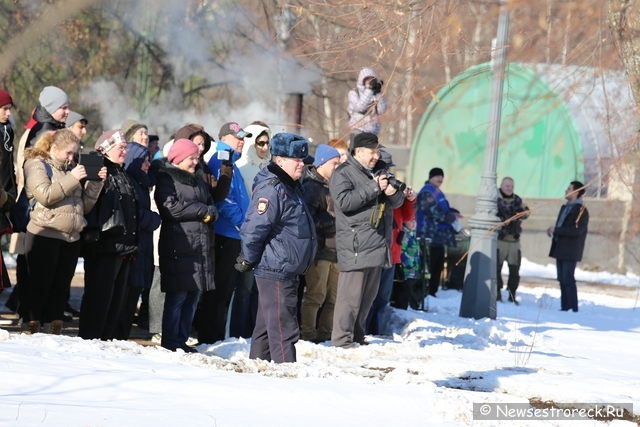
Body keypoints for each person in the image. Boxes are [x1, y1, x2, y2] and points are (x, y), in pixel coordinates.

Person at [236, 133, 316, 363]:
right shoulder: (273, 188)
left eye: (303, 160)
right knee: (284, 331)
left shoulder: (290, 185)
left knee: (265, 328)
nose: (302, 164)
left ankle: (257, 372)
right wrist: (248, 258)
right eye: (297, 160)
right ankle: (286, 378)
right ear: (280, 160)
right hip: (277, 268)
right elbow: (254, 227)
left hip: (285, 268)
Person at [23, 129, 106, 334]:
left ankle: (54, 331)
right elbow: (45, 196)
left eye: (74, 153)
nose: (72, 158)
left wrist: (96, 183)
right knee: (40, 287)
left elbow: (83, 208)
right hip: (45, 233)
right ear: (53, 148)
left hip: (70, 238)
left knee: (61, 289)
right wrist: (72, 177)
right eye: (68, 153)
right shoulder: (36, 165)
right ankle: (31, 330)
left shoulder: (72, 169)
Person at [329, 132, 404, 348]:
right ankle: (342, 341)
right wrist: (374, 187)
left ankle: (357, 337)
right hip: (356, 245)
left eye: (378, 151)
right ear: (358, 151)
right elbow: (344, 202)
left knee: (367, 300)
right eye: (373, 152)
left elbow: (397, 203)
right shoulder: (343, 173)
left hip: (378, 244)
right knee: (349, 299)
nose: (376, 156)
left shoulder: (379, 170)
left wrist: (391, 192)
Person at [154, 139, 217, 352]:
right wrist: (201, 211)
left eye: (196, 158)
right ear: (179, 159)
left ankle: (181, 339)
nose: (195, 161)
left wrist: (209, 212)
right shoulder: (166, 179)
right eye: (191, 158)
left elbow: (210, 204)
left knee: (192, 298)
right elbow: (170, 209)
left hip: (199, 245)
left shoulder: (198, 179)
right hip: (178, 245)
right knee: (178, 297)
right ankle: (170, 341)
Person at [79, 130, 140, 340]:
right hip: (104, 247)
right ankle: (91, 340)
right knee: (99, 300)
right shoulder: (98, 168)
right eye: (121, 147)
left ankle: (107, 341)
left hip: (124, 247)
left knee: (115, 303)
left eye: (126, 147)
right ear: (106, 148)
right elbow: (89, 205)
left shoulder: (121, 172)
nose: (125, 151)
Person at [199, 122, 252, 344]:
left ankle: (215, 337)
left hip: (233, 234)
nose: (241, 141)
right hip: (226, 234)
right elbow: (225, 201)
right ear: (223, 138)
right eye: (236, 137)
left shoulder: (230, 161)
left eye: (243, 137)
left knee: (224, 292)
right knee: (219, 292)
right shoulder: (222, 159)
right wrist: (245, 224)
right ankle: (211, 338)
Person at [366, 150, 415, 336]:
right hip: (375, 252)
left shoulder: (395, 190)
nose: (389, 173)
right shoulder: (372, 187)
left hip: (392, 254)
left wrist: (409, 200)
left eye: (389, 169)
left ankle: (376, 333)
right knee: (368, 298)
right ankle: (362, 332)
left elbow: (408, 217)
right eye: (385, 169)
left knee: (382, 300)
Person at [114, 143, 161, 340]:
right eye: (144, 160)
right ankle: (117, 336)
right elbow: (134, 213)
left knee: (133, 294)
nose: (148, 165)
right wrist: (154, 219)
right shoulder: (130, 182)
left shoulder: (142, 183)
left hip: (142, 247)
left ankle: (122, 335)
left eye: (149, 160)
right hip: (132, 247)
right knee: (124, 297)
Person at [231, 122, 272, 338]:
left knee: (260, 288)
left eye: (267, 143)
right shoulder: (240, 168)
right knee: (245, 288)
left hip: (268, 236)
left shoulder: (270, 169)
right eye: (260, 143)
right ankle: (239, 332)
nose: (265, 147)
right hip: (246, 234)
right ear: (250, 143)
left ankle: (256, 333)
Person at [300, 144, 341, 343]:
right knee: (316, 297)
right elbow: (306, 219)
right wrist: (332, 219)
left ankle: (324, 336)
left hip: (336, 252)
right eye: (334, 163)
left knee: (333, 299)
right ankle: (307, 336)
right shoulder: (310, 187)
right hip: (319, 251)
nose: (337, 167)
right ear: (322, 163)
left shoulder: (334, 185)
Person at [416, 168, 462, 297]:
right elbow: (431, 211)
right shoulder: (427, 192)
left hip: (438, 237)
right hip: (428, 236)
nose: (440, 179)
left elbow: (443, 208)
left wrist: (454, 212)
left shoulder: (436, 192)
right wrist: (451, 217)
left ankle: (432, 291)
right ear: (431, 177)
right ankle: (426, 292)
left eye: (441, 177)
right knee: (429, 266)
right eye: (437, 176)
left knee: (437, 266)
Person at [547, 181, 589, 312]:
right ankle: (565, 307)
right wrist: (554, 232)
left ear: (576, 192)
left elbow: (576, 231)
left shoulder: (581, 210)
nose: (566, 191)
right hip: (560, 247)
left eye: (569, 189)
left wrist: (557, 230)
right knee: (561, 279)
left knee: (568, 278)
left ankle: (571, 308)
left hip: (570, 250)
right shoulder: (565, 207)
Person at [496, 177, 529, 304]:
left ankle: (511, 294)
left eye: (511, 186)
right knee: (496, 269)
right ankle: (497, 293)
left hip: (514, 242)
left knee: (514, 270)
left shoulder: (517, 200)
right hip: (500, 240)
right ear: (502, 186)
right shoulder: (495, 199)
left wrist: (524, 212)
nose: (509, 189)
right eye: (507, 186)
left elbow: (525, 215)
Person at [347, 68, 388, 145]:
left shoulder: (375, 95)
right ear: (361, 81)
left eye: (371, 79)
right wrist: (369, 90)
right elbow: (359, 107)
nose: (369, 81)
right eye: (367, 79)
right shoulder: (354, 93)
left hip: (372, 132)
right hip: (358, 129)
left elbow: (382, 110)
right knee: (357, 153)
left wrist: (378, 93)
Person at [391, 219, 421, 310]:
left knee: (408, 292)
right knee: (403, 292)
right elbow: (401, 251)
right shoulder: (404, 235)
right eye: (411, 221)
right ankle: (400, 309)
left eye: (415, 221)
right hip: (405, 271)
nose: (414, 223)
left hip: (412, 271)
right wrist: (409, 263)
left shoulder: (413, 235)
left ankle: (408, 307)